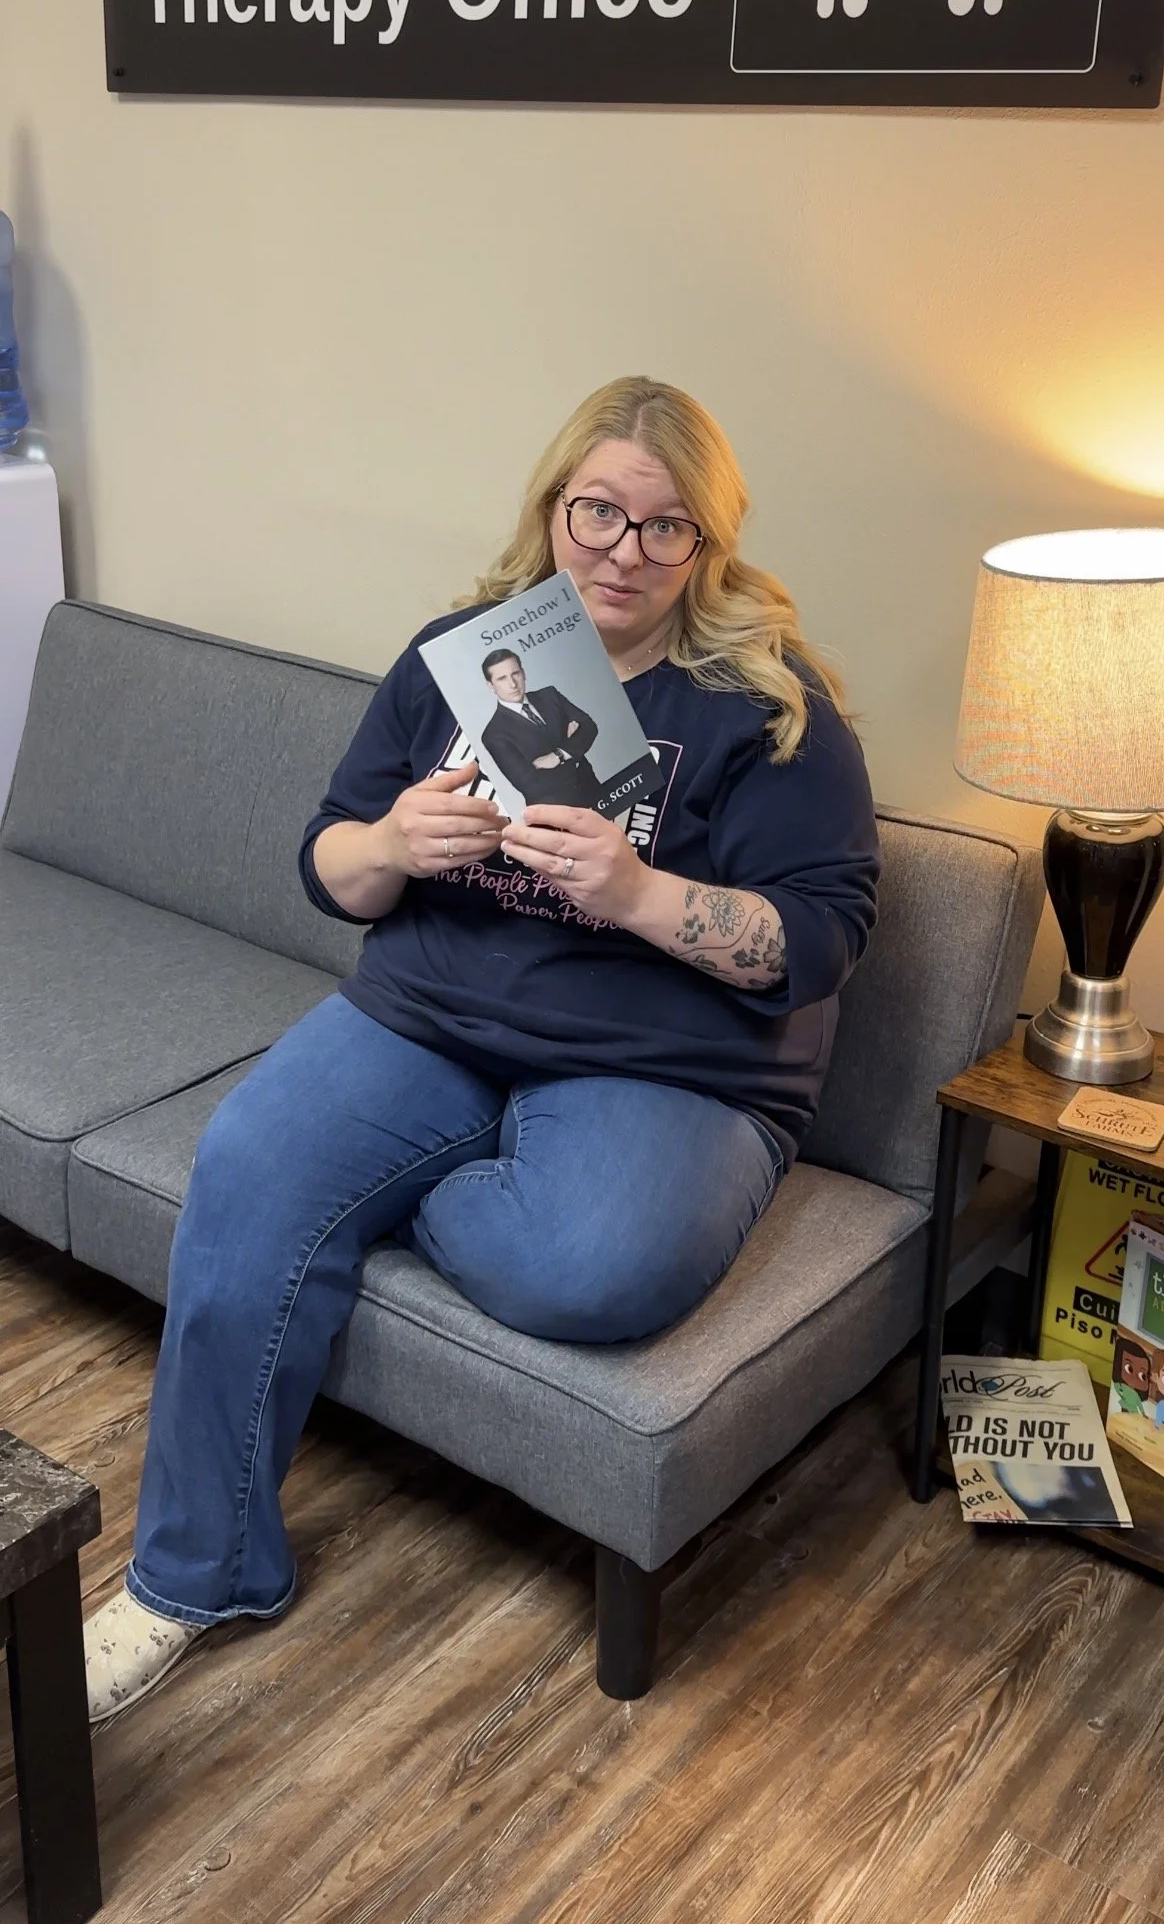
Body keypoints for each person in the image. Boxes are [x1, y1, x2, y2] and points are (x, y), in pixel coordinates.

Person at [82, 374, 879, 1725]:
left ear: (711, 541)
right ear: (551, 507)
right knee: (246, 1160)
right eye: (598, 512)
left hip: (666, 1063)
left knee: (586, 1261)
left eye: (665, 527)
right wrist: (395, 842)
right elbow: (329, 865)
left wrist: (636, 893)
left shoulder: (767, 708)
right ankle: (196, 1573)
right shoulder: (461, 654)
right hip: (433, 1014)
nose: (624, 552)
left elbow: (815, 941)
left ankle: (422, 1191)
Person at [478, 649, 603, 808]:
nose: (512, 684)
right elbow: (531, 786)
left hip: (593, 789)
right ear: (491, 685)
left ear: (523, 673)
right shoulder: (493, 734)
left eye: (515, 674)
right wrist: (571, 749)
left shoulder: (549, 695)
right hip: (555, 812)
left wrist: (557, 756)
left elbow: (589, 727)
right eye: (502, 678)